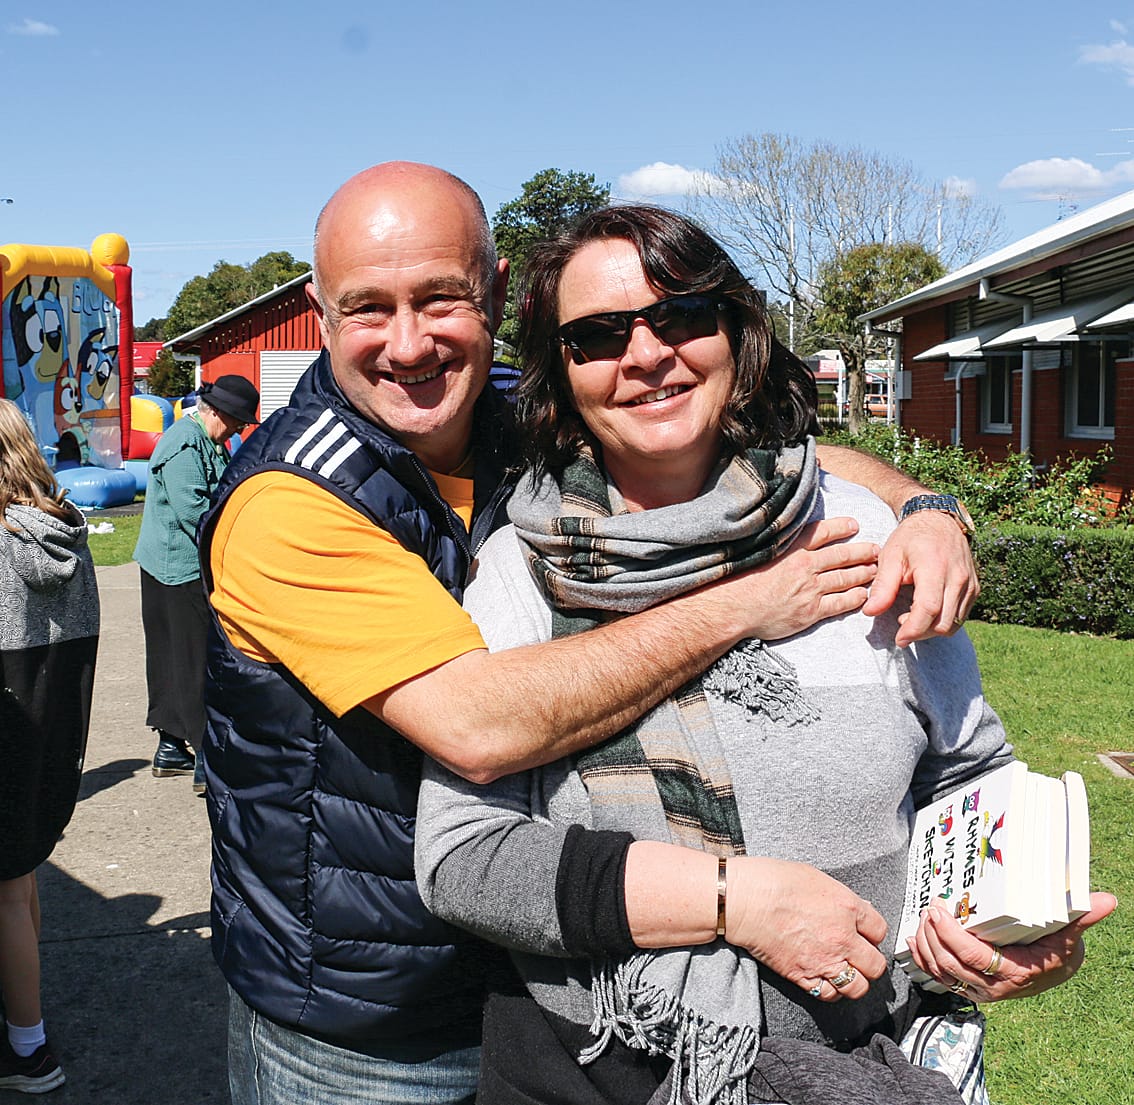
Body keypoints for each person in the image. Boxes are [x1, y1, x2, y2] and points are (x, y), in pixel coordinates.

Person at [198, 162, 981, 1105]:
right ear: (320, 313)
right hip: (370, 1029)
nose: (409, 344)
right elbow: (482, 728)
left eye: (440, 298)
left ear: (489, 296)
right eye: (369, 309)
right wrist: (743, 603)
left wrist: (923, 507)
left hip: (537, 987)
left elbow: (781, 456)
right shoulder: (291, 503)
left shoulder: (517, 411)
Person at [415, 205, 1116, 1105]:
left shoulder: (865, 531)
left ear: (734, 332)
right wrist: (734, 898)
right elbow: (464, 859)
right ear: (561, 375)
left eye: (679, 316)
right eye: (597, 336)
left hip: (867, 1060)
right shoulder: (520, 572)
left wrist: (1012, 920)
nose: (645, 355)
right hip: (591, 1068)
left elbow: (971, 778)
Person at [0, 399, 99, 1094]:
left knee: (6, 894)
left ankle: (28, 1048)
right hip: (54, 730)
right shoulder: (67, 527)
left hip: (10, 729)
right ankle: (24, 1016)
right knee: (22, 879)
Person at [133, 375, 259, 793]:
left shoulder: (208, 439)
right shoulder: (184, 444)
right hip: (177, 569)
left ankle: (170, 749)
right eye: (238, 421)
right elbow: (197, 516)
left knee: (173, 658)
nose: (240, 429)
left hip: (175, 567)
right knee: (192, 661)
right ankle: (207, 756)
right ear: (216, 412)